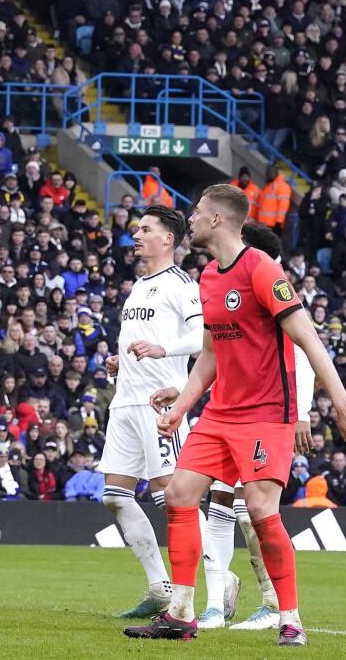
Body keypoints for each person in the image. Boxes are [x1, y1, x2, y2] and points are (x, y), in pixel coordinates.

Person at [125, 185, 346, 645]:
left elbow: (308, 339)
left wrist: (339, 402)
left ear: (217, 219)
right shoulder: (209, 277)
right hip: (220, 414)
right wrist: (182, 407)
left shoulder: (262, 268)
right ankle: (180, 613)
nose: (190, 219)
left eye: (197, 212)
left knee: (259, 509)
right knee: (179, 495)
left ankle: (290, 619)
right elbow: (211, 355)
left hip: (264, 415)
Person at [203, 222, 317, 631]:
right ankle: (216, 599)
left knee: (254, 511)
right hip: (229, 410)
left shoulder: (270, 281)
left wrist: (302, 410)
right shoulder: (228, 278)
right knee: (215, 498)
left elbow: (302, 352)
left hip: (267, 414)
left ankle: (273, 604)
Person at [99, 205, 202, 619]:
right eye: (137, 229)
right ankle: (160, 588)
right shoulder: (140, 285)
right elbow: (145, 341)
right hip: (125, 400)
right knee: (114, 496)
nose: (136, 235)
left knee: (172, 499)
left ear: (169, 240)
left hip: (160, 405)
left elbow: (202, 338)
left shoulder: (182, 284)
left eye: (145, 229)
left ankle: (209, 583)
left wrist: (164, 353)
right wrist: (121, 362)